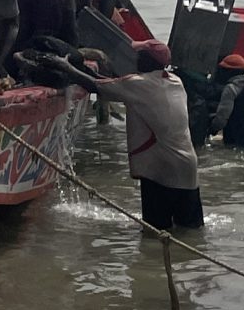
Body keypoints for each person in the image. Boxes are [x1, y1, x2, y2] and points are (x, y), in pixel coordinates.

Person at [39, 40, 203, 231]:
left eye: (140, 56)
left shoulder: (139, 84)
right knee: (190, 231)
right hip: (188, 169)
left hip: (161, 170)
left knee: (155, 232)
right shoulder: (175, 81)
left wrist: (65, 67)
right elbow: (109, 84)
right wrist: (80, 68)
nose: (135, 59)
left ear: (147, 61)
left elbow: (95, 86)